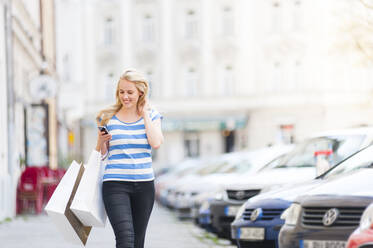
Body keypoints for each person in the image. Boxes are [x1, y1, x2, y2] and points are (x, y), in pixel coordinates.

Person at [95, 69, 164, 248]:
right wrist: (100, 142)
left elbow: (156, 142)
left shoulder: (153, 115)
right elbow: (102, 154)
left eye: (130, 92)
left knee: (138, 241)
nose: (125, 96)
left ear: (141, 93)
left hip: (144, 185)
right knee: (125, 238)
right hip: (115, 184)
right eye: (121, 92)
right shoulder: (107, 117)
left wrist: (145, 114)